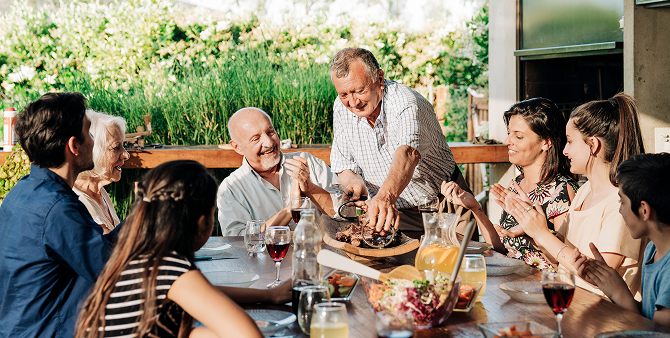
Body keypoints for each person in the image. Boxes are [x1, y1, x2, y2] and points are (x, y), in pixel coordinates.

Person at [75, 160, 271, 338]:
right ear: (202, 222)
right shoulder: (168, 268)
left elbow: (201, 296)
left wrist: (270, 295)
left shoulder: (137, 258)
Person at [0, 93, 121, 337]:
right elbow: (113, 272)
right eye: (90, 134)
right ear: (74, 146)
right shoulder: (58, 209)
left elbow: (98, 249)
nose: (94, 141)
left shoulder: (22, 192)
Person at [506, 93, 645, 297]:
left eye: (570, 141)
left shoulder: (620, 201)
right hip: (570, 302)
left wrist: (542, 233)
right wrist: (532, 229)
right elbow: (557, 256)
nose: (564, 150)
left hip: (605, 316)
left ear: (593, 145)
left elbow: (599, 277)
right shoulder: (585, 190)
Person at [329, 47, 471, 236]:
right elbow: (344, 164)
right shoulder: (341, 108)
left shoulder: (407, 103)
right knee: (395, 266)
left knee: (455, 264)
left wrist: (385, 197)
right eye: (344, 94)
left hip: (446, 206)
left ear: (379, 78)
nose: (353, 103)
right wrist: (354, 183)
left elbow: (408, 153)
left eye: (360, 91)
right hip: (394, 214)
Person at [441, 98, 578, 269]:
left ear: (546, 142)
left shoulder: (561, 190)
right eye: (509, 133)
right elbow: (502, 246)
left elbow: (562, 260)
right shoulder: (517, 184)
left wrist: (533, 233)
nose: (507, 141)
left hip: (543, 288)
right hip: (513, 281)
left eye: (518, 136)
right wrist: (475, 208)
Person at [571, 153, 670, 327]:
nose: (620, 211)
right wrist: (608, 282)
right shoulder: (653, 250)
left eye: (622, 202)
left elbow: (657, 333)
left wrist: (618, 292)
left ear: (644, 210)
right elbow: (648, 316)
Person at [217, 107, 339, 236]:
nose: (269, 143)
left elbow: (346, 213)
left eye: (270, 132)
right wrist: (290, 209)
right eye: (256, 139)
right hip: (267, 257)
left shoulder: (307, 162)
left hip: (319, 254)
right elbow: (238, 240)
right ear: (237, 147)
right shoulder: (231, 188)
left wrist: (310, 189)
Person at [73, 110, 130, 234]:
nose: (126, 155)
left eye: (123, 146)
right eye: (116, 148)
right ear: (94, 152)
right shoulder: (77, 201)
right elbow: (110, 248)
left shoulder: (99, 191)